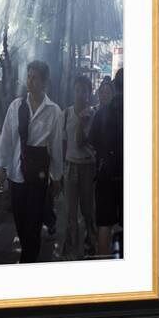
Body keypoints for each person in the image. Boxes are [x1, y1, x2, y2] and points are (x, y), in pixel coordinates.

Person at [0, 60, 63, 263]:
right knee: (20, 220)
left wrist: (57, 177)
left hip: (38, 176)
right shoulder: (16, 107)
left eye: (35, 78)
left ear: (45, 82)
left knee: (33, 223)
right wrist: (1, 166)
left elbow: (56, 147)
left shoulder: (54, 111)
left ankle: (28, 261)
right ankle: (28, 253)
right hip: (16, 173)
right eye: (29, 77)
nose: (30, 82)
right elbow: (6, 138)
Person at [89, 68, 124, 256]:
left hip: (105, 175)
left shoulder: (102, 113)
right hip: (129, 177)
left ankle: (103, 266)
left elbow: (92, 140)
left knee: (104, 224)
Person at [62, 76, 97, 259]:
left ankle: (90, 243)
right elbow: (63, 142)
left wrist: (83, 122)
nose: (80, 94)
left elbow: (81, 140)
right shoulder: (66, 113)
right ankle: (70, 250)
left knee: (87, 211)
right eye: (77, 90)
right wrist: (60, 169)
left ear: (89, 93)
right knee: (69, 212)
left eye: (83, 90)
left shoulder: (93, 115)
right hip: (69, 166)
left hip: (87, 168)